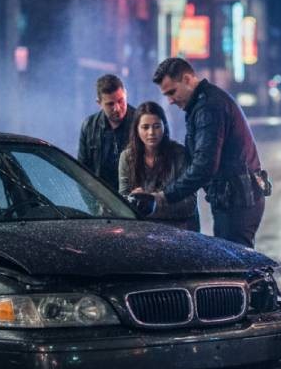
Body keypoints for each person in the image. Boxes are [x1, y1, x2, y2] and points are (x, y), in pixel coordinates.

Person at [150, 57, 269, 247]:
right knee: (235, 262)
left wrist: (165, 196)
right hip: (236, 198)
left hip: (237, 201)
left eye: (172, 92)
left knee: (234, 266)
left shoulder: (208, 107)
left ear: (188, 79)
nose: (170, 100)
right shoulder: (202, 104)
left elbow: (204, 165)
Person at [118, 101, 199, 231]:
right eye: (145, 127)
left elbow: (189, 205)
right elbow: (122, 202)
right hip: (142, 230)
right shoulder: (127, 157)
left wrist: (149, 201)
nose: (151, 132)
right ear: (137, 130)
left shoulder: (179, 154)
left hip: (178, 230)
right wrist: (132, 198)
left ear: (164, 127)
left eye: (156, 126)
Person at [78, 74, 135, 191]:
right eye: (110, 104)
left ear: (126, 94)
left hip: (133, 200)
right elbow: (82, 172)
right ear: (99, 103)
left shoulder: (141, 122)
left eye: (121, 101)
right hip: (102, 199)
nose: (117, 108)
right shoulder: (89, 126)